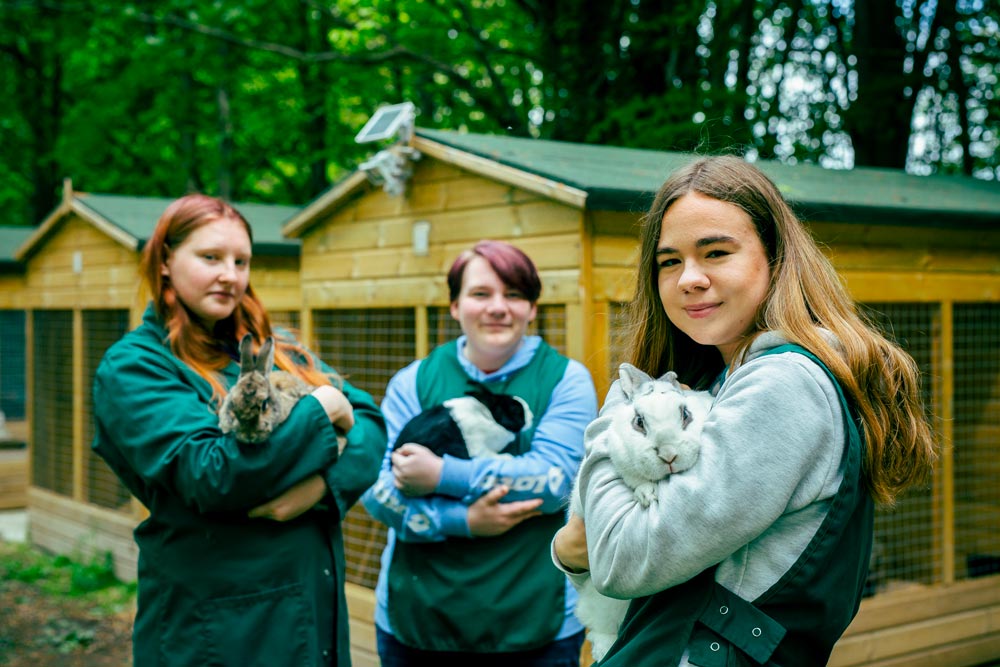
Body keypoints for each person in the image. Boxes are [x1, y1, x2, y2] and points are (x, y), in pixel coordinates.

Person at [553, 156, 937, 666]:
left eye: (715, 252)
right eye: (669, 261)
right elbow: (606, 559)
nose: (690, 277)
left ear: (775, 259)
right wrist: (578, 552)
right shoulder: (718, 380)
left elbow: (623, 561)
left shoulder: (784, 383)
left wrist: (617, 418)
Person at [91, 194, 386, 667]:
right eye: (210, 257)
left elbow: (371, 424)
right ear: (166, 261)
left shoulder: (277, 346)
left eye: (241, 260)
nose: (230, 274)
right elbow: (212, 474)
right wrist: (325, 408)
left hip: (310, 619)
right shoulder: (136, 366)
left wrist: (321, 488)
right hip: (219, 631)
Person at [361, 240, 598, 667]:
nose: (498, 308)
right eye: (480, 294)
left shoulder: (566, 380)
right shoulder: (413, 382)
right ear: (454, 306)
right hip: (417, 619)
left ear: (532, 308)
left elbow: (555, 482)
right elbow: (378, 492)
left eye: (514, 294)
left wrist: (441, 476)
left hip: (534, 622)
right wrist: (464, 521)